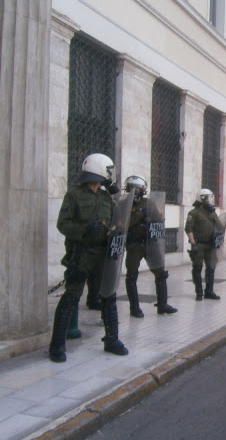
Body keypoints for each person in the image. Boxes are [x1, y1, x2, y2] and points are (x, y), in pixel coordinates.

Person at [49, 153, 128, 362]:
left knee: (108, 296)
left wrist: (116, 230)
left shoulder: (105, 198)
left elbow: (116, 222)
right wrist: (85, 230)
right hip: (81, 254)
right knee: (71, 297)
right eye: (108, 171)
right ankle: (57, 345)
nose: (110, 175)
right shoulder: (74, 195)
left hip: (102, 255)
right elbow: (63, 224)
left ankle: (112, 339)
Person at [124, 175, 177, 318]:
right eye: (131, 188)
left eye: (136, 189)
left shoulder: (149, 203)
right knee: (131, 276)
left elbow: (158, 220)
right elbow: (124, 223)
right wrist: (141, 214)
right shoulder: (124, 204)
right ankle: (134, 308)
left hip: (150, 243)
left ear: (142, 190)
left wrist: (154, 218)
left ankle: (162, 304)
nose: (133, 191)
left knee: (160, 273)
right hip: (134, 244)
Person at [185, 189, 223, 300]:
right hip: (199, 245)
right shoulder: (194, 212)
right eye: (207, 198)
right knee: (197, 268)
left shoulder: (212, 212)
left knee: (211, 268)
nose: (209, 201)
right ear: (201, 199)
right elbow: (188, 228)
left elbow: (219, 226)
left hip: (211, 245)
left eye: (210, 198)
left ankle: (209, 291)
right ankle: (199, 292)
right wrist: (193, 243)